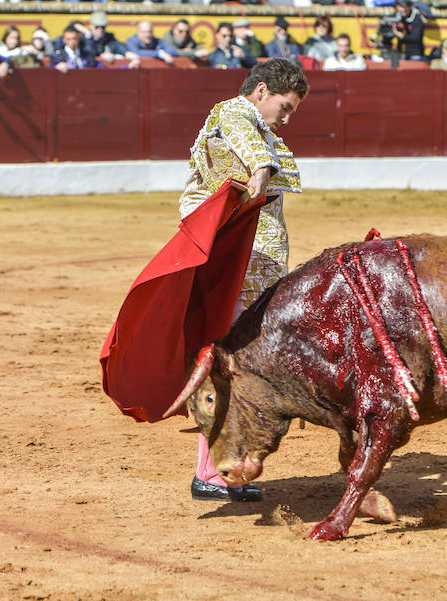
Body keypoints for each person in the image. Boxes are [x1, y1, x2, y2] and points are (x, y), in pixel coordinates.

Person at [179, 59, 310, 501]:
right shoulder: (234, 113)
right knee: (230, 369)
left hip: (250, 270)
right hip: (240, 271)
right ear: (261, 91)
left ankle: (217, 470)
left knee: (235, 369)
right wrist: (259, 167)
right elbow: (242, 136)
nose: (287, 117)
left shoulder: (255, 126)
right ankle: (213, 472)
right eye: (285, 105)